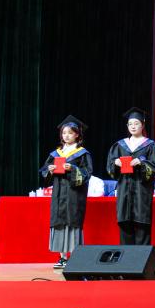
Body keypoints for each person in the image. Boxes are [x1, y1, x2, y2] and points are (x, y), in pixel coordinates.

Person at [40, 115, 93, 269]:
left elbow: (87, 173)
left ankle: (75, 257)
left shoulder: (82, 153)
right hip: (58, 194)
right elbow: (44, 172)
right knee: (59, 223)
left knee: (72, 223)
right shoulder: (56, 153)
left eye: (70, 133)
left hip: (74, 194)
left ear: (77, 134)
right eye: (64, 133)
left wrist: (73, 169)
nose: (66, 136)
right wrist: (49, 170)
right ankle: (62, 257)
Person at [106, 107, 155, 245]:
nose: (133, 126)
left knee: (142, 224)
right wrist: (115, 163)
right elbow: (110, 168)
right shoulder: (120, 145)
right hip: (124, 190)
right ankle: (126, 256)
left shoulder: (150, 145)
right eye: (130, 124)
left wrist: (142, 163)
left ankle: (143, 256)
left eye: (136, 123)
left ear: (142, 125)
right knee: (125, 223)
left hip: (142, 190)